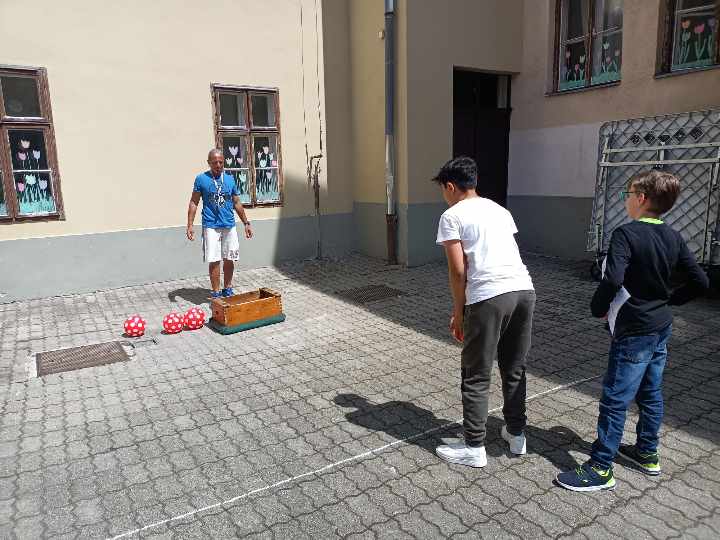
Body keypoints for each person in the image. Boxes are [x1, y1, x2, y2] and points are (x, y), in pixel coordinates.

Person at [556, 170, 709, 492]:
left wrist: (597, 307)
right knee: (650, 391)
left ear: (641, 198)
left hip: (635, 330)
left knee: (615, 397)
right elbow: (700, 281)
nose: (626, 200)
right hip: (660, 325)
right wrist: (671, 299)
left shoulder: (626, 234)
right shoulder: (673, 236)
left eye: (628, 194)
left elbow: (613, 278)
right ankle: (646, 452)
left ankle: (600, 467)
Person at [433, 156, 536, 468]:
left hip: (488, 296)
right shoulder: (500, 210)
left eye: (443, 189)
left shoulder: (452, 216)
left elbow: (458, 271)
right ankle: (516, 435)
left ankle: (474, 447)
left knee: (476, 372)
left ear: (451, 186)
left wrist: (459, 311)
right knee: (514, 367)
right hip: (524, 290)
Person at [187, 148, 253, 299]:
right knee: (214, 260)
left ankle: (227, 288)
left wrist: (246, 223)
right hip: (211, 225)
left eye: (221, 162)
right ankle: (216, 292)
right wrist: (190, 225)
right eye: (215, 162)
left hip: (229, 224)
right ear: (209, 163)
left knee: (229, 258)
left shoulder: (229, 179)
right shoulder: (201, 179)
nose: (218, 165)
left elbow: (236, 202)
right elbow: (194, 202)